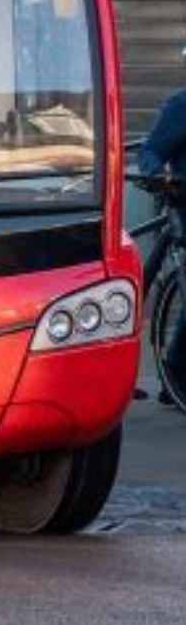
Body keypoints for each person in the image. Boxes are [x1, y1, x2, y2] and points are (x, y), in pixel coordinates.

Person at [138, 55, 186, 406]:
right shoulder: (181, 105)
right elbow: (150, 149)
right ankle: (175, 369)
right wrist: (157, 173)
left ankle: (175, 370)